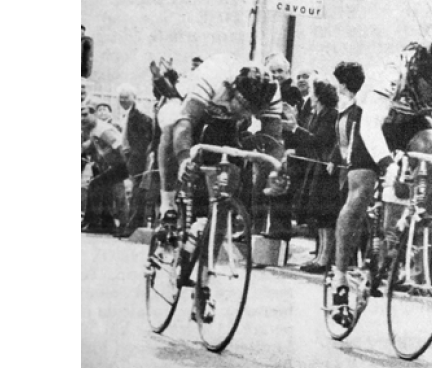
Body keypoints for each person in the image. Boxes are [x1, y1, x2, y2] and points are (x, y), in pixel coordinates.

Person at [329, 42, 432, 327]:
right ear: (416, 74)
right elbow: (370, 127)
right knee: (361, 190)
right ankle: (339, 276)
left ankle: (411, 221)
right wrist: (387, 164)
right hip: (373, 121)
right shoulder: (392, 71)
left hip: (413, 121)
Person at [155, 54, 288, 223]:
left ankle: (218, 218)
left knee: (231, 164)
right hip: (187, 104)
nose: (246, 112)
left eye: (252, 110)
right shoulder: (214, 75)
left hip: (224, 119)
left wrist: (275, 171)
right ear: (233, 90)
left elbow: (273, 140)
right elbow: (186, 122)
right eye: (244, 105)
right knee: (171, 127)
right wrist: (184, 158)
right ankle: (168, 203)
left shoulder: (272, 92)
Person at [284, 77, 340, 274]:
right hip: (317, 167)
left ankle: (325, 258)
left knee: (326, 216)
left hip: (325, 169)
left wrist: (295, 128)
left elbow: (318, 140)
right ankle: (320, 257)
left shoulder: (331, 115)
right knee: (320, 215)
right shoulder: (318, 114)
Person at [81, 102, 129, 235]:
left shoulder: (103, 130)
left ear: (94, 114)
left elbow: (120, 147)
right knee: (102, 187)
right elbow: (90, 145)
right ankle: (105, 223)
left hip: (122, 164)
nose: (81, 119)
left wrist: (127, 170)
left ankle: (120, 225)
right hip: (115, 165)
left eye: (85, 115)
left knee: (105, 187)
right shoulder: (93, 128)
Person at [115, 84, 155, 238]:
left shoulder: (139, 115)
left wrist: (132, 162)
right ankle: (132, 224)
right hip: (133, 157)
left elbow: (141, 143)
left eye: (126, 97)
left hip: (138, 160)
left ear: (134, 98)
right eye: (121, 98)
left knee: (137, 193)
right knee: (135, 192)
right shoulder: (129, 114)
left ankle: (133, 226)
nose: (123, 100)